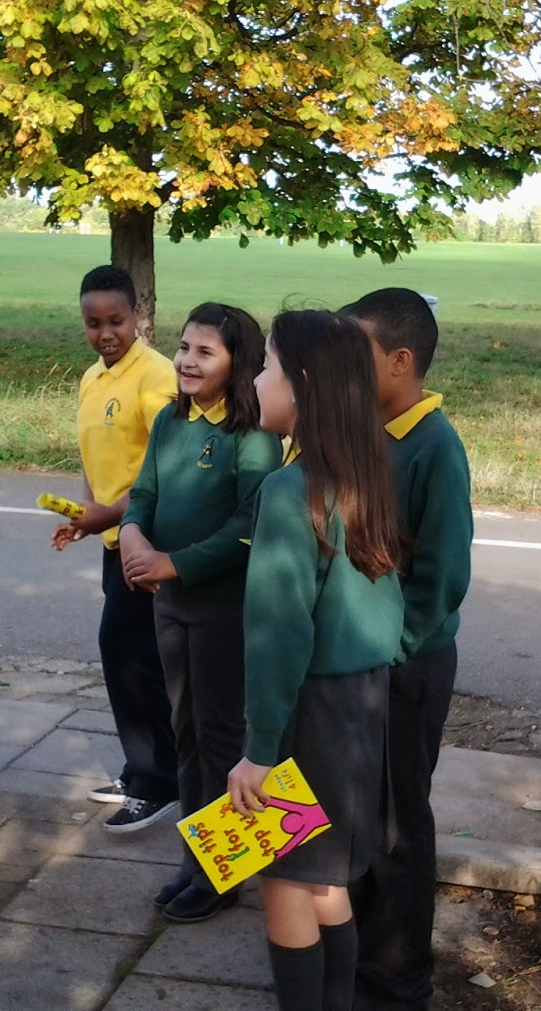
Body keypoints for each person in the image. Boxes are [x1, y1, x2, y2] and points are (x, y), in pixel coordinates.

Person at [228, 309, 405, 1011]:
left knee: (284, 883)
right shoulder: (363, 473)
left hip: (307, 714)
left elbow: (278, 632)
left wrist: (260, 750)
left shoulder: (287, 492)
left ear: (300, 386)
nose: (255, 379)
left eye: (265, 367)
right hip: (361, 704)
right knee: (327, 881)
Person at [119, 302, 280, 923]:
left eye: (205, 351)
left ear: (238, 362)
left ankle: (226, 870)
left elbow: (251, 521)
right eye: (184, 347)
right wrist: (133, 535)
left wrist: (175, 564)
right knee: (184, 731)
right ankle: (197, 857)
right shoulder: (170, 420)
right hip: (171, 606)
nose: (187, 360)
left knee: (219, 740)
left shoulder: (253, 434)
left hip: (223, 609)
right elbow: (144, 492)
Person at [343, 288, 474, 1011]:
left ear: (400, 362)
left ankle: (397, 980)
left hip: (405, 666)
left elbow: (443, 577)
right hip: (362, 664)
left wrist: (393, 652)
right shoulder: (369, 431)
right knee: (360, 811)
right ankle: (354, 951)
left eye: (355, 355)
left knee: (398, 827)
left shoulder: (433, 445)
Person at [49, 265, 180, 830]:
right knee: (124, 655)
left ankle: (162, 781)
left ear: (138, 318)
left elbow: (167, 466)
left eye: (116, 321)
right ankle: (141, 768)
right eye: (93, 323)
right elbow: (91, 456)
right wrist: (86, 515)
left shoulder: (156, 376)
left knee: (135, 657)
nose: (105, 333)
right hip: (113, 536)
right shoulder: (90, 379)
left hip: (149, 536)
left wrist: (114, 514)